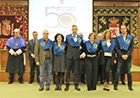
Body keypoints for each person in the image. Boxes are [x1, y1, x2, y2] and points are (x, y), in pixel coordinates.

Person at [114, 24, 134, 91]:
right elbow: (116, 48)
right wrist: (121, 55)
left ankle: (130, 86)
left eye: (124, 29)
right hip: (120, 57)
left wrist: (127, 55)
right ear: (120, 30)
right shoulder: (118, 37)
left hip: (128, 57)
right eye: (122, 29)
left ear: (126, 29)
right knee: (118, 71)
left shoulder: (130, 38)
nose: (123, 30)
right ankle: (115, 85)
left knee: (128, 72)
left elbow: (131, 48)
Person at [64, 25, 83, 91]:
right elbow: (65, 46)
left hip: (76, 56)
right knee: (68, 71)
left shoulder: (80, 37)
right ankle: (67, 84)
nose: (74, 30)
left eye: (75, 29)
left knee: (76, 72)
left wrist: (81, 54)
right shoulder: (68, 37)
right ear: (71, 30)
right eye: (73, 29)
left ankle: (76, 84)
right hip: (69, 56)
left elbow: (82, 47)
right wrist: (66, 54)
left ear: (77, 30)